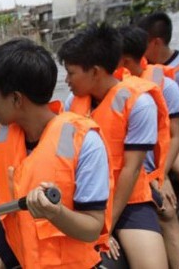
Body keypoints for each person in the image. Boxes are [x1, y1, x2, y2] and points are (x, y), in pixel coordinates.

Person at [0, 38, 112, 268]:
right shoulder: (10, 130)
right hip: (15, 234)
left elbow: (92, 227)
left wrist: (55, 213)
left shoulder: (86, 143)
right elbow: (0, 171)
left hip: (60, 251)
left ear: (16, 98)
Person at [58, 23, 169, 269]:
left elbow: (131, 169)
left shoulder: (139, 104)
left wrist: (106, 227)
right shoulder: (71, 103)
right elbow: (63, 159)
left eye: (71, 73)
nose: (66, 80)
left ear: (95, 71)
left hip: (128, 199)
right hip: (86, 198)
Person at [117, 25, 179, 269]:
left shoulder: (167, 87)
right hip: (129, 172)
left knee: (167, 213)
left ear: (123, 60)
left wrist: (161, 175)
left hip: (154, 167)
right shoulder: (109, 93)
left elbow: (175, 136)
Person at [137, 12, 179, 87]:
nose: (139, 48)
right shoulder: (141, 65)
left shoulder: (178, 72)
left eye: (142, 43)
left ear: (156, 42)